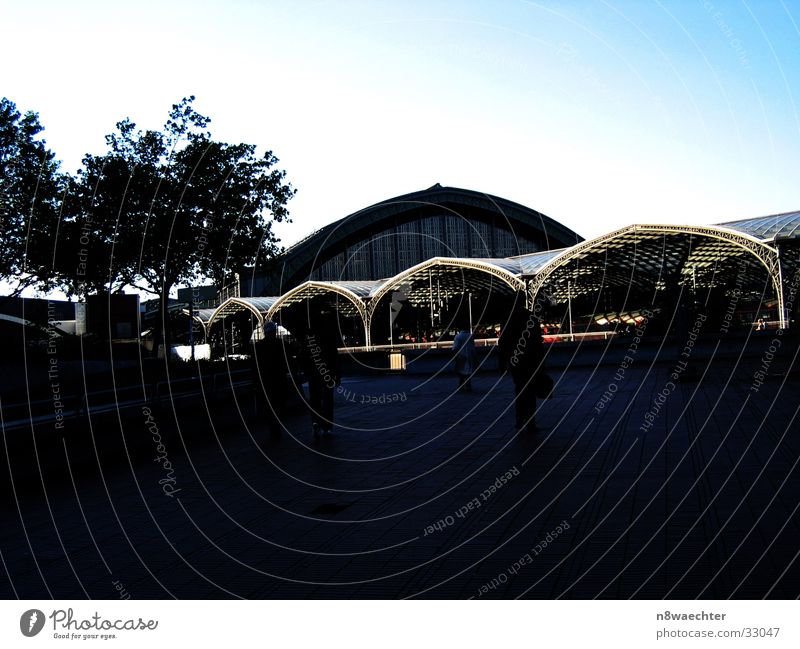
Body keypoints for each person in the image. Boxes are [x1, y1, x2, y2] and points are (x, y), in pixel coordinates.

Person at [498, 303, 545, 434]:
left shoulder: (507, 317)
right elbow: (537, 340)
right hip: (530, 360)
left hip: (515, 360)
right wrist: (541, 361)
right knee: (530, 390)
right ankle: (531, 422)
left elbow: (502, 342)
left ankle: (519, 419)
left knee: (519, 389)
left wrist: (502, 363)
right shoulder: (531, 317)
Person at [299, 311, 341, 437]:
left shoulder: (309, 337)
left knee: (315, 399)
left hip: (314, 373)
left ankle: (315, 422)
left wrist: (306, 370)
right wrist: (337, 375)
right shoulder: (329, 335)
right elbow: (334, 356)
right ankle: (327, 426)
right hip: (327, 372)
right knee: (328, 399)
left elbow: (303, 355)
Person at [251, 322, 292, 438]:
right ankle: (276, 423)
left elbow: (254, 366)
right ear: (274, 332)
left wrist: (255, 382)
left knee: (268, 405)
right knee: (280, 403)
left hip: (265, 381)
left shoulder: (257, 346)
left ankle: (272, 424)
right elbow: (288, 361)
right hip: (279, 379)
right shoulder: (281, 344)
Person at [452, 326, 477, 392]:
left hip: (461, 356)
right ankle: (467, 385)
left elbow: (455, 348)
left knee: (460, 370)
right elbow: (473, 348)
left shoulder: (458, 337)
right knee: (468, 370)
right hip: (469, 355)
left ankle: (462, 384)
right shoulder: (470, 336)